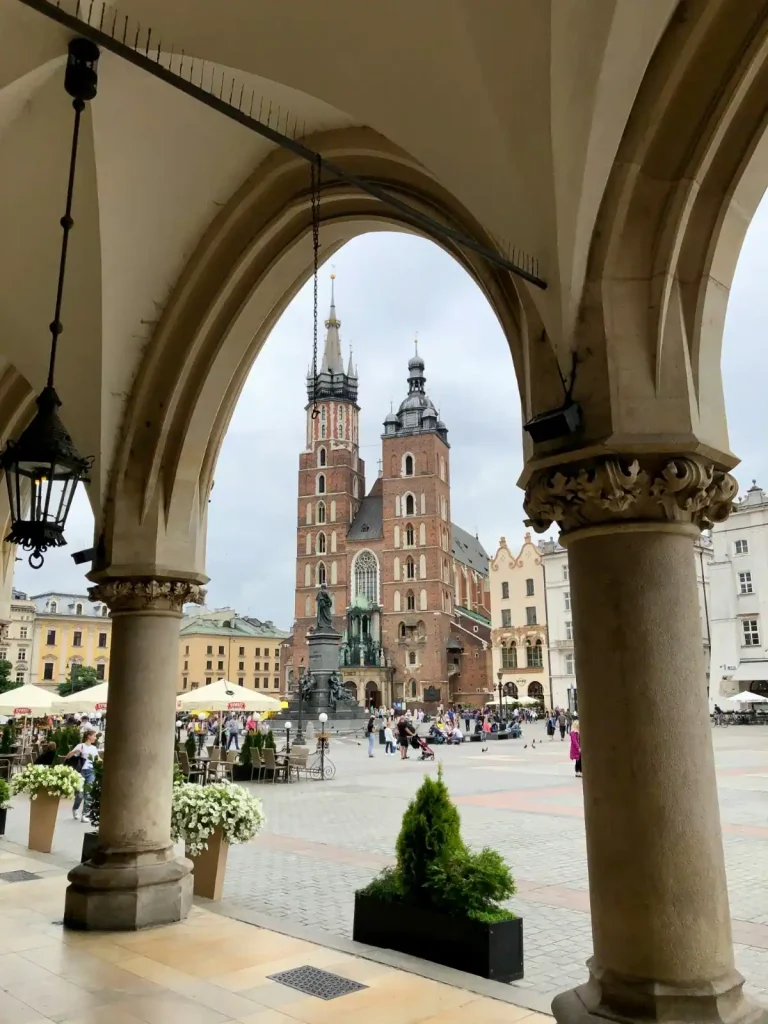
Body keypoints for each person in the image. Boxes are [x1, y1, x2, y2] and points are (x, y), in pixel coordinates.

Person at [65, 729, 99, 822]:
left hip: (91, 771)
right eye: (94, 736)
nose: (95, 738)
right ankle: (75, 809)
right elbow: (68, 756)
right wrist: (75, 751)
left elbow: (97, 759)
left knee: (88, 794)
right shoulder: (81, 746)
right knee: (79, 794)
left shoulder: (94, 748)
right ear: (89, 736)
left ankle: (85, 815)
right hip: (80, 771)